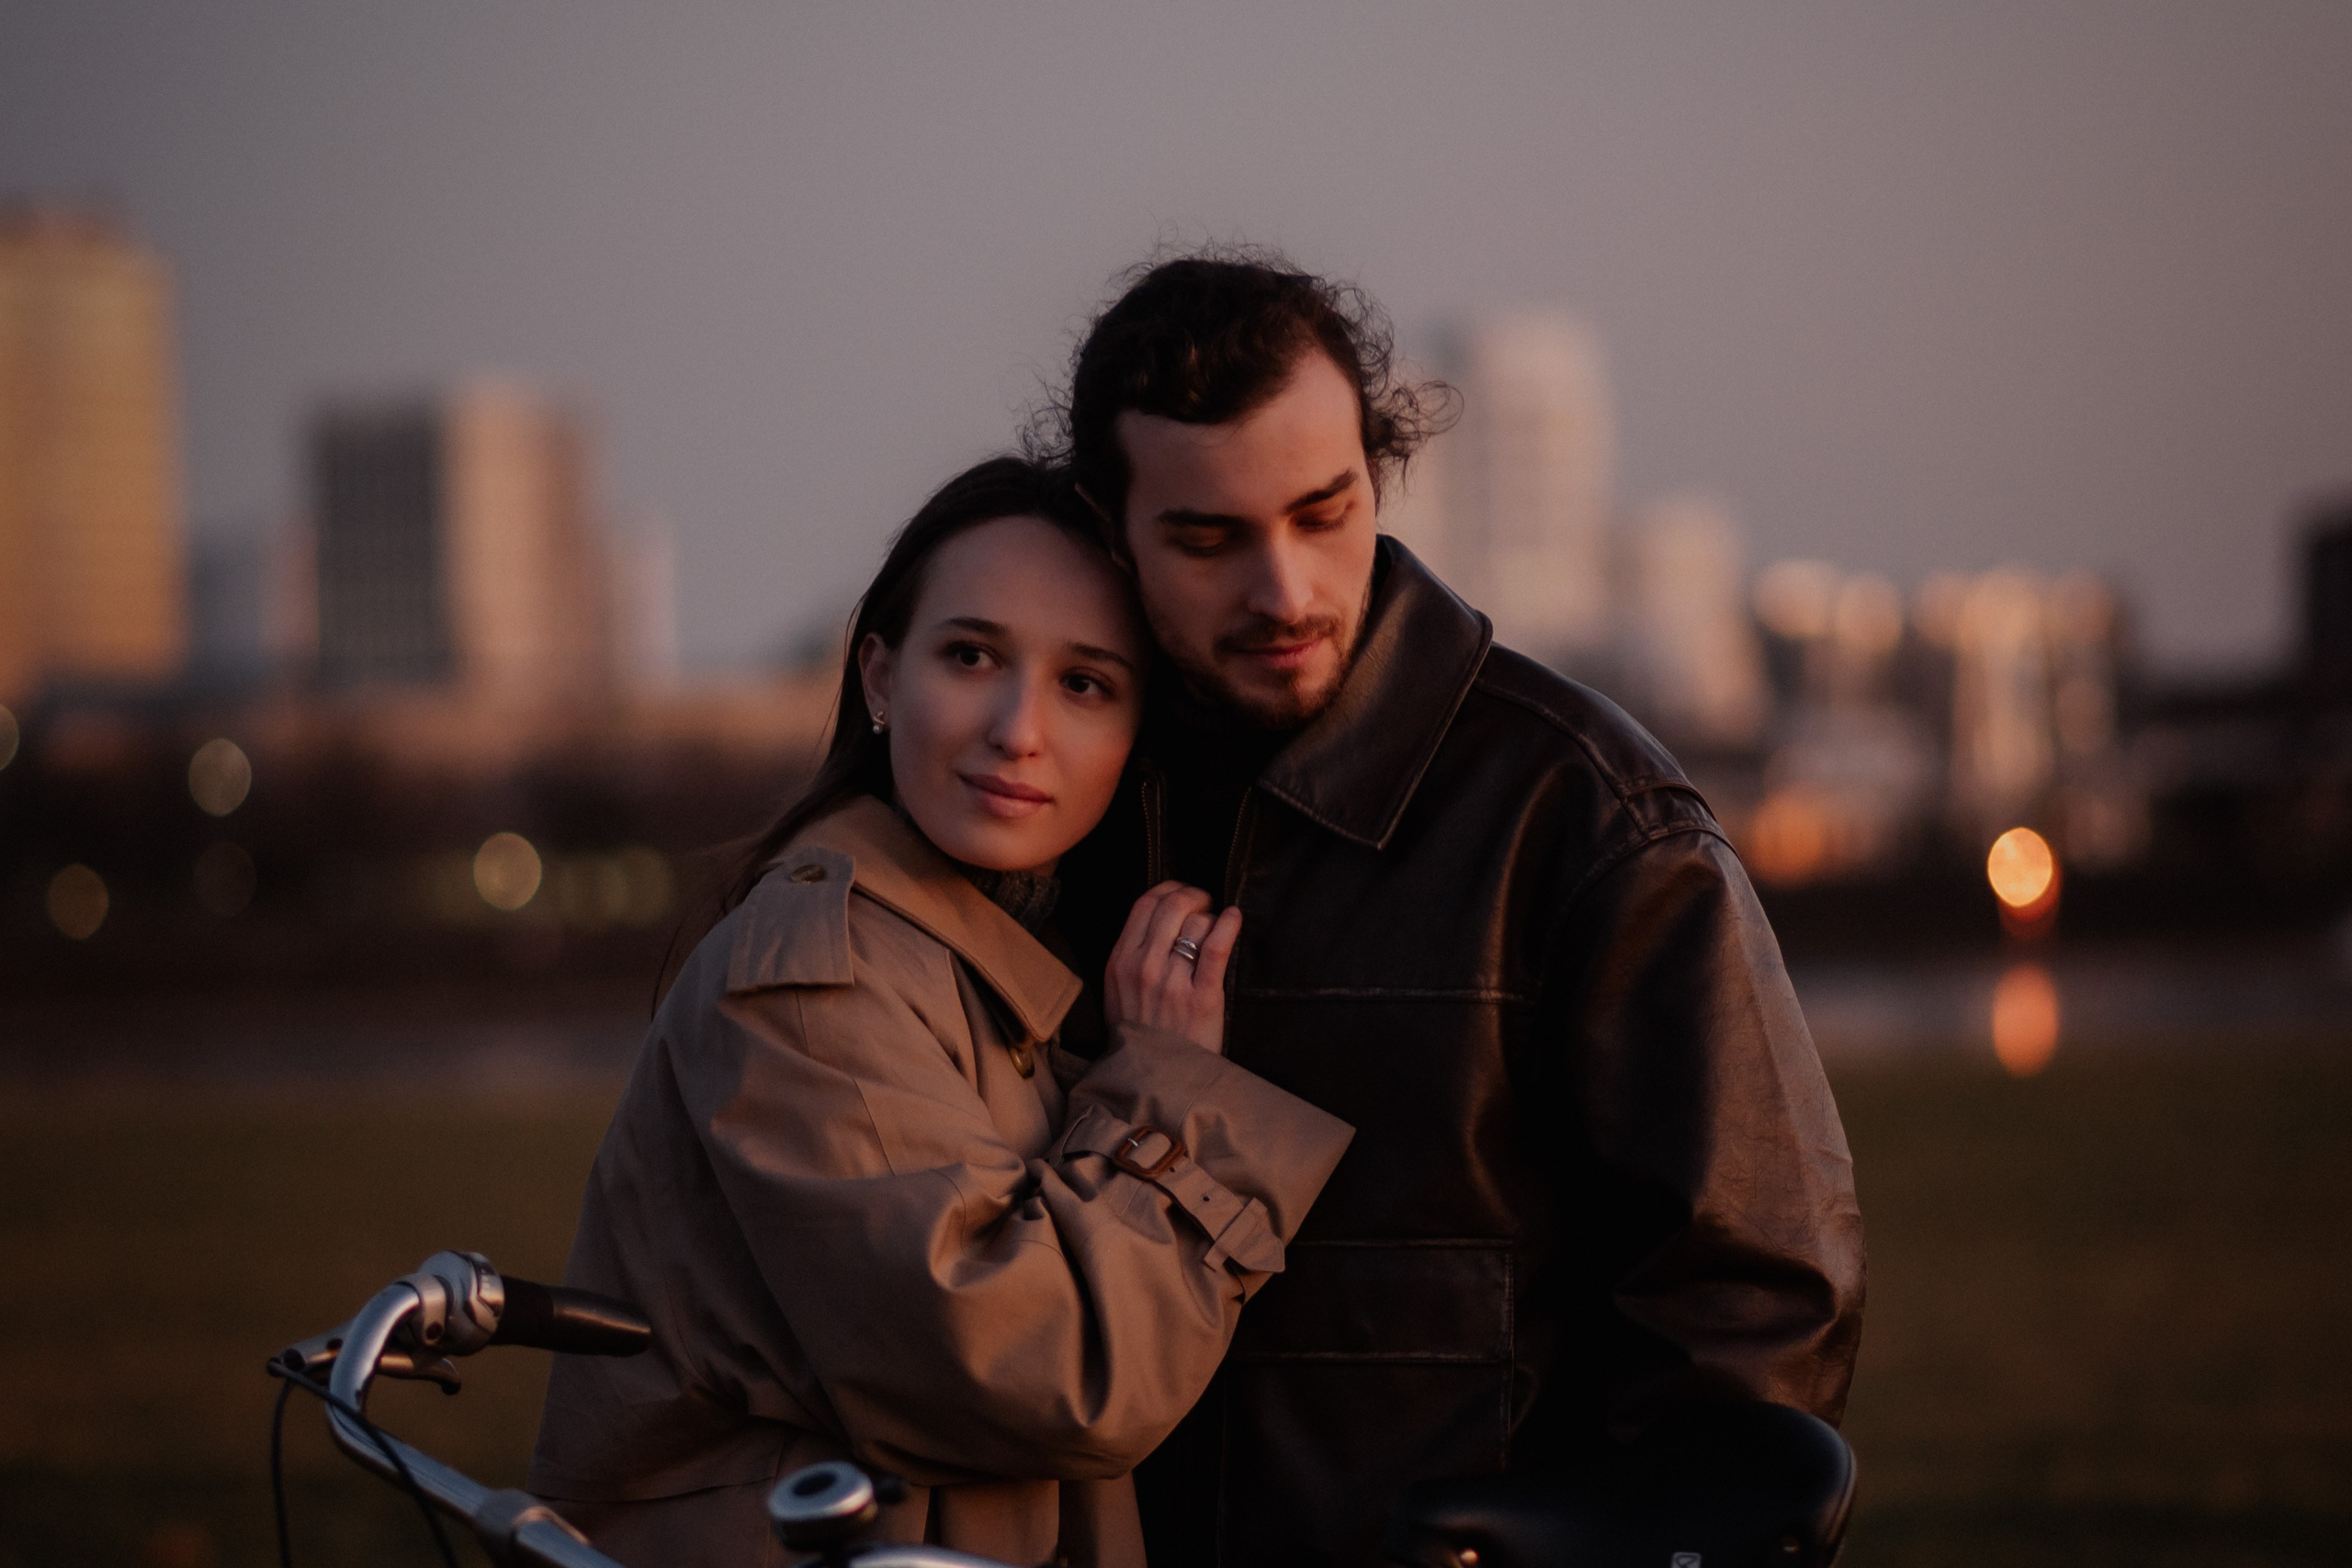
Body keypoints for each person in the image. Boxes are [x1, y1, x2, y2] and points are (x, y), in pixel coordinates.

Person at [1042, 254, 1868, 1568]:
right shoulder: (1044, 805)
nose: (1285, 590)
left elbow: (1752, 1309)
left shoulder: (1589, 818)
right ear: (1106, 527)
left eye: (1325, 511)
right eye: (1208, 539)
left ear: (1381, 473)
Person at [526, 456, 1355, 1568]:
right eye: (971, 656)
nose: (1019, 729)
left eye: (1087, 684)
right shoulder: (814, 983)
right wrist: (1164, 1091)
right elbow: (1041, 1370)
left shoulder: (980, 954)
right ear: (879, 675)